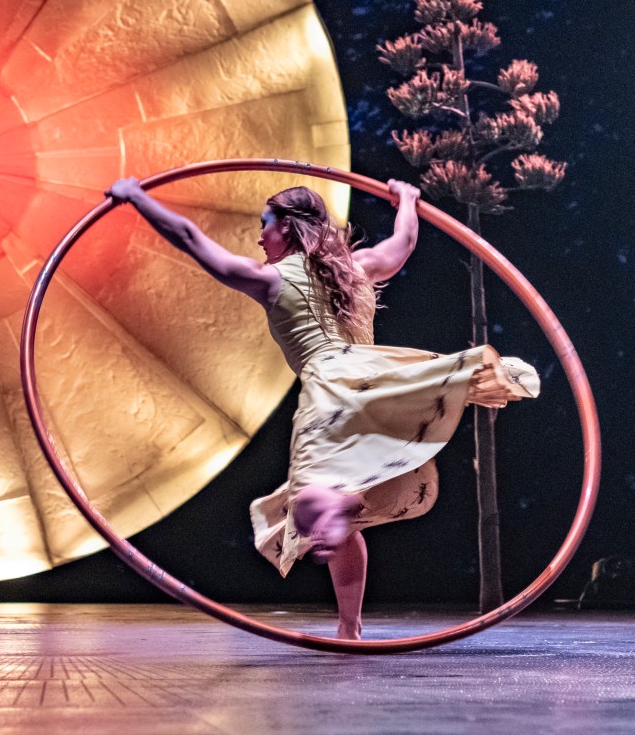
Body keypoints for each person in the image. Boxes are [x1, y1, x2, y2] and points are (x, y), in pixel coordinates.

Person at [105, 176, 538, 640]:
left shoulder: (269, 279)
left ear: (287, 228)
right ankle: (348, 626)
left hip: (332, 394)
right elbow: (404, 242)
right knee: (335, 516)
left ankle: (331, 510)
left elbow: (191, 239)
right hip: (378, 386)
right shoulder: (359, 267)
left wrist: (137, 198)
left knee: (308, 503)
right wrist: (408, 199)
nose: (259, 236)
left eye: (264, 224)